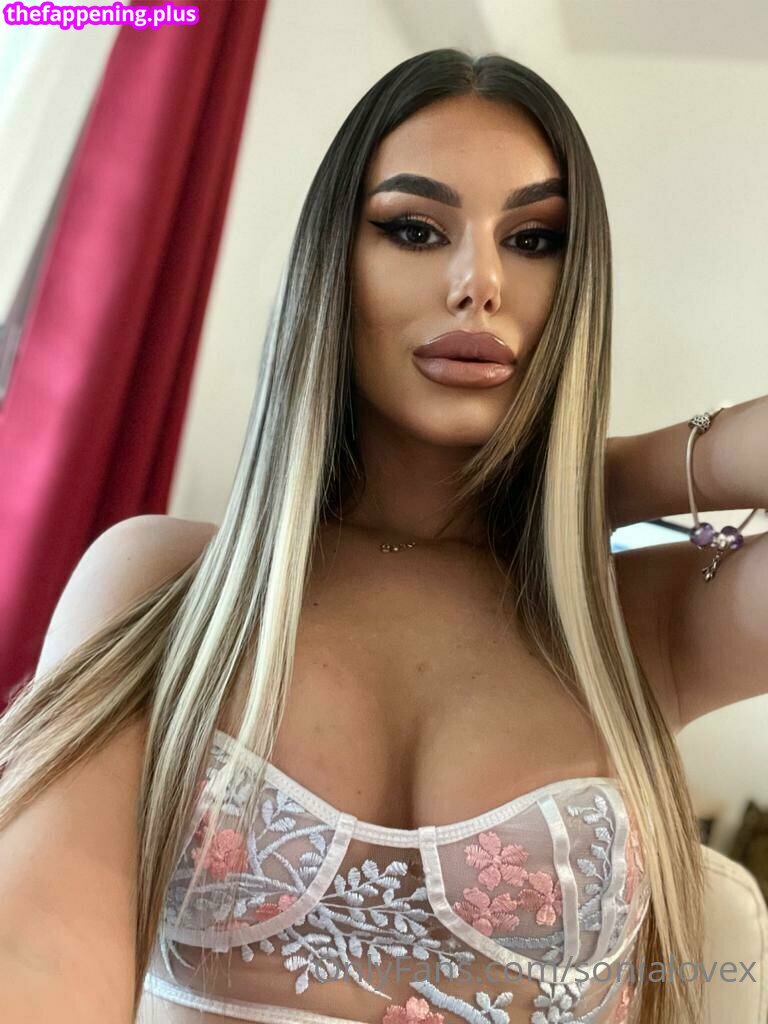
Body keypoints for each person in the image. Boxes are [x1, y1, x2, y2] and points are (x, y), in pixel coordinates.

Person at [5, 47, 768, 1024]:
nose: (479, 281)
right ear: (332, 266)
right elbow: (36, 948)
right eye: (414, 228)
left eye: (534, 240)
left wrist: (584, 474)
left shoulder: (635, 619)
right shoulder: (168, 587)